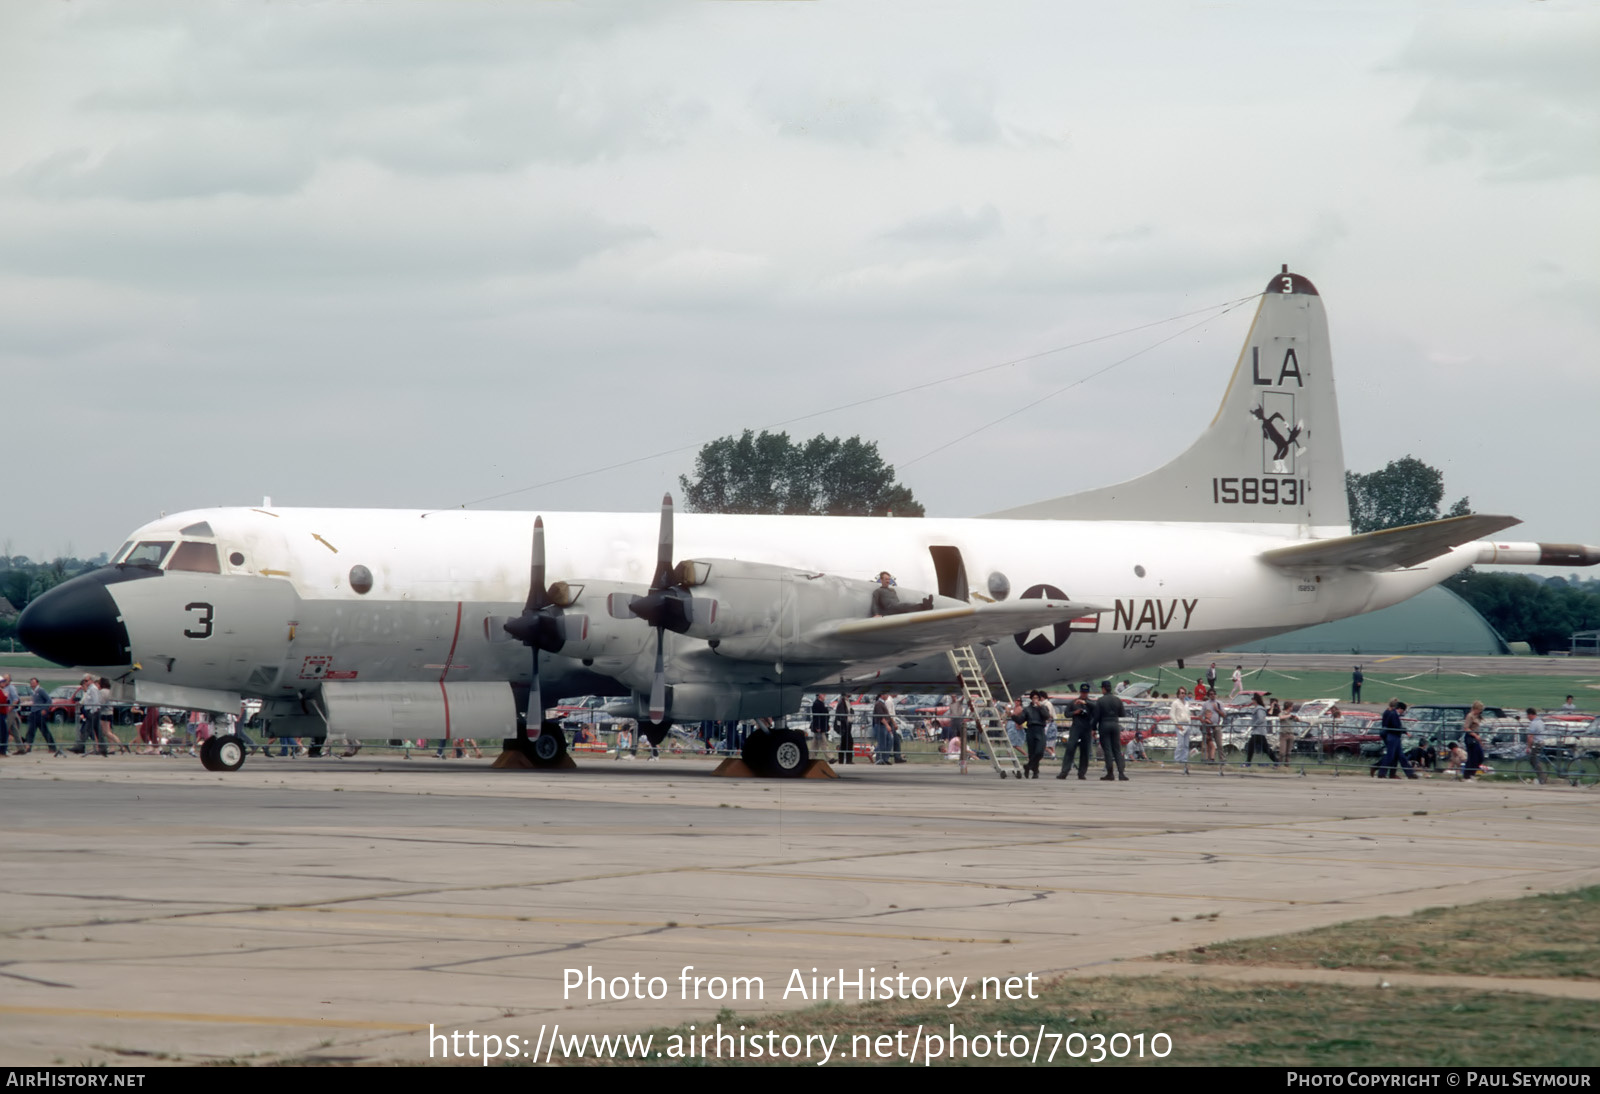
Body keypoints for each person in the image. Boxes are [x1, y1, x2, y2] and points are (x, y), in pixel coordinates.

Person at [1056, 684, 1095, 780]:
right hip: (1076, 727)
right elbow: (1066, 713)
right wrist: (1075, 712)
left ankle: (1082, 773)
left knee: (1085, 751)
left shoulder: (1091, 703)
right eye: (1082, 692)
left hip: (1087, 728)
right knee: (1070, 748)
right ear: (1080, 692)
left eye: (1085, 693)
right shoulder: (1074, 702)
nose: (1084, 694)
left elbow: (1097, 709)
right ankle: (1064, 771)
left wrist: (1086, 703)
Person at [1375, 699, 1417, 780]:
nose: (1403, 712)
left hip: (1395, 737)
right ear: (1400, 709)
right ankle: (1381, 772)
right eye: (1403, 710)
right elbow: (1395, 727)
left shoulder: (1393, 714)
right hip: (1393, 736)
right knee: (1390, 756)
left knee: (1401, 756)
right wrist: (1404, 731)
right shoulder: (1393, 714)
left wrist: (1403, 731)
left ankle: (1410, 773)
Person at [1095, 680, 1128, 781]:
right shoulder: (1117, 700)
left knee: (1108, 750)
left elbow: (1096, 716)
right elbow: (1122, 714)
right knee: (1117, 750)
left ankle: (1110, 773)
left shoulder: (1100, 700)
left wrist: (1092, 728)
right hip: (1115, 725)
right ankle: (1121, 773)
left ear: (1104, 689)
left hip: (1104, 725)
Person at [1021, 690, 1054, 779]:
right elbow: (1021, 719)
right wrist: (1012, 715)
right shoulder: (1027, 709)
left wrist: (1040, 707)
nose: (1035, 700)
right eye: (1034, 698)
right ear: (1031, 699)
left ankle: (1028, 766)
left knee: (1039, 751)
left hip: (1040, 729)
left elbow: (1046, 716)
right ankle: (1035, 772)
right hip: (1031, 730)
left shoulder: (1043, 707)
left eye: (1037, 698)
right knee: (1032, 752)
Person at [24, 678, 61, 756]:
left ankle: (52, 747)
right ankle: (28, 747)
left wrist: (45, 709)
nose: (32, 684)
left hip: (39, 713)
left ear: (37, 683)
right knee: (31, 730)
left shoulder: (41, 690)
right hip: (33, 713)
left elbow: (49, 700)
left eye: (33, 683)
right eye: (31, 683)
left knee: (44, 731)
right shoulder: (33, 692)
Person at [1243, 693, 1278, 767]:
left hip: (1258, 732)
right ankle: (1276, 761)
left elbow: (1261, 719)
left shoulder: (1259, 709)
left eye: (1252, 699)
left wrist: (1253, 725)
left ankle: (1248, 763)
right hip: (1257, 732)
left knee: (1254, 747)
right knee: (1261, 748)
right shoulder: (1258, 708)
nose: (1251, 700)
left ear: (1255, 700)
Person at [1461, 701, 1487, 781]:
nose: (1480, 711)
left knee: (1480, 756)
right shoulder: (1470, 716)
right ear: (1476, 709)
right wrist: (1475, 735)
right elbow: (1466, 728)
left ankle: (1472, 773)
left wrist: (1479, 740)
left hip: (1476, 737)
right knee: (1472, 757)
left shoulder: (1477, 716)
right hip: (1470, 737)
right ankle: (1467, 775)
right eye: (1479, 710)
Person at [1169, 687, 1193, 774]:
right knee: (1180, 743)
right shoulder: (1175, 703)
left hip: (1187, 724)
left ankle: (1184, 760)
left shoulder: (1187, 703)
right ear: (1178, 694)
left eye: (1184, 693)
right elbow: (1172, 714)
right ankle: (1177, 759)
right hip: (1180, 723)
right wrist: (1177, 724)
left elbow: (1188, 714)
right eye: (1181, 693)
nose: (1183, 695)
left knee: (1186, 744)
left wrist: (1189, 723)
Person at [1199, 689, 1225, 766]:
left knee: (1219, 744)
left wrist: (1217, 709)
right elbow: (1200, 715)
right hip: (1207, 727)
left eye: (1213, 694)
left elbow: (1224, 715)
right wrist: (1204, 721)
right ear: (1208, 695)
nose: (1212, 695)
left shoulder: (1219, 703)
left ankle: (1222, 760)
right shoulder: (1206, 704)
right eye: (1210, 694)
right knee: (1207, 745)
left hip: (1216, 726)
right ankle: (1208, 760)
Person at [1526, 708, 1550, 786]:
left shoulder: (1533, 723)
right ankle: (1542, 777)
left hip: (1536, 743)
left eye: (1527, 715)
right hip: (1541, 742)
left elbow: (1530, 737)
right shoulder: (1540, 722)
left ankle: (1542, 777)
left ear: (1530, 714)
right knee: (1536, 759)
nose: (1527, 717)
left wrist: (1528, 747)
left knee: (1533, 759)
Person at [833, 695, 853, 764]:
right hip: (845, 725)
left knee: (846, 743)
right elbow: (841, 714)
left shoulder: (846, 701)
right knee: (847, 742)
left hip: (847, 724)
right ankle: (846, 760)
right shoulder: (842, 702)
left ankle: (846, 760)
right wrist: (845, 722)